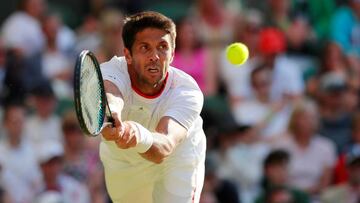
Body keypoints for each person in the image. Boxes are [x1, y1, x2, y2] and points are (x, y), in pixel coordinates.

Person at [99, 11, 206, 203]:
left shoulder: (187, 91)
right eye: (145, 48)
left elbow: (163, 147)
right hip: (123, 164)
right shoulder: (109, 72)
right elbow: (111, 94)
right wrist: (112, 114)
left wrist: (136, 134)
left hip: (177, 159)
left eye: (162, 47)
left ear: (172, 54)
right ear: (128, 55)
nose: (155, 56)